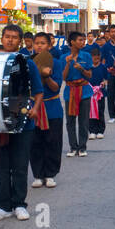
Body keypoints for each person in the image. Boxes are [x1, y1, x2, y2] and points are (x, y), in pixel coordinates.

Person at [0, 23, 44, 221]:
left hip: (22, 118)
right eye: (7, 36)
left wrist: (35, 109)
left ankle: (20, 204)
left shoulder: (28, 62)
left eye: (14, 37)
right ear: (1, 39)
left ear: (20, 41)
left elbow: (38, 91)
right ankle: (3, 206)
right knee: (1, 166)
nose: (10, 40)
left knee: (20, 164)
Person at [30, 31, 64, 187]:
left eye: (42, 43)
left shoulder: (56, 63)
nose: (39, 46)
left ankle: (50, 174)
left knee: (53, 141)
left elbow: (56, 88)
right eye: (36, 43)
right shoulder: (27, 62)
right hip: (33, 108)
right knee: (34, 142)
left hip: (52, 107)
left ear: (49, 45)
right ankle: (38, 174)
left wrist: (46, 76)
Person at [63, 33, 93, 157]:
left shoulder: (86, 55)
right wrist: (67, 64)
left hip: (84, 91)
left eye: (84, 40)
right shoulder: (64, 57)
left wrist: (81, 69)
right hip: (70, 91)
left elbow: (89, 75)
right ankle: (73, 147)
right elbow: (63, 77)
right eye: (80, 40)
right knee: (70, 121)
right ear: (72, 42)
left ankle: (82, 147)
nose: (83, 42)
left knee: (84, 120)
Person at [88, 46, 109, 137]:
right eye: (93, 57)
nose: (95, 59)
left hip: (100, 93)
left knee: (100, 111)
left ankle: (100, 131)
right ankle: (92, 131)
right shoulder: (88, 67)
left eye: (97, 57)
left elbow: (106, 78)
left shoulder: (103, 67)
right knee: (90, 112)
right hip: (90, 92)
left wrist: (104, 82)